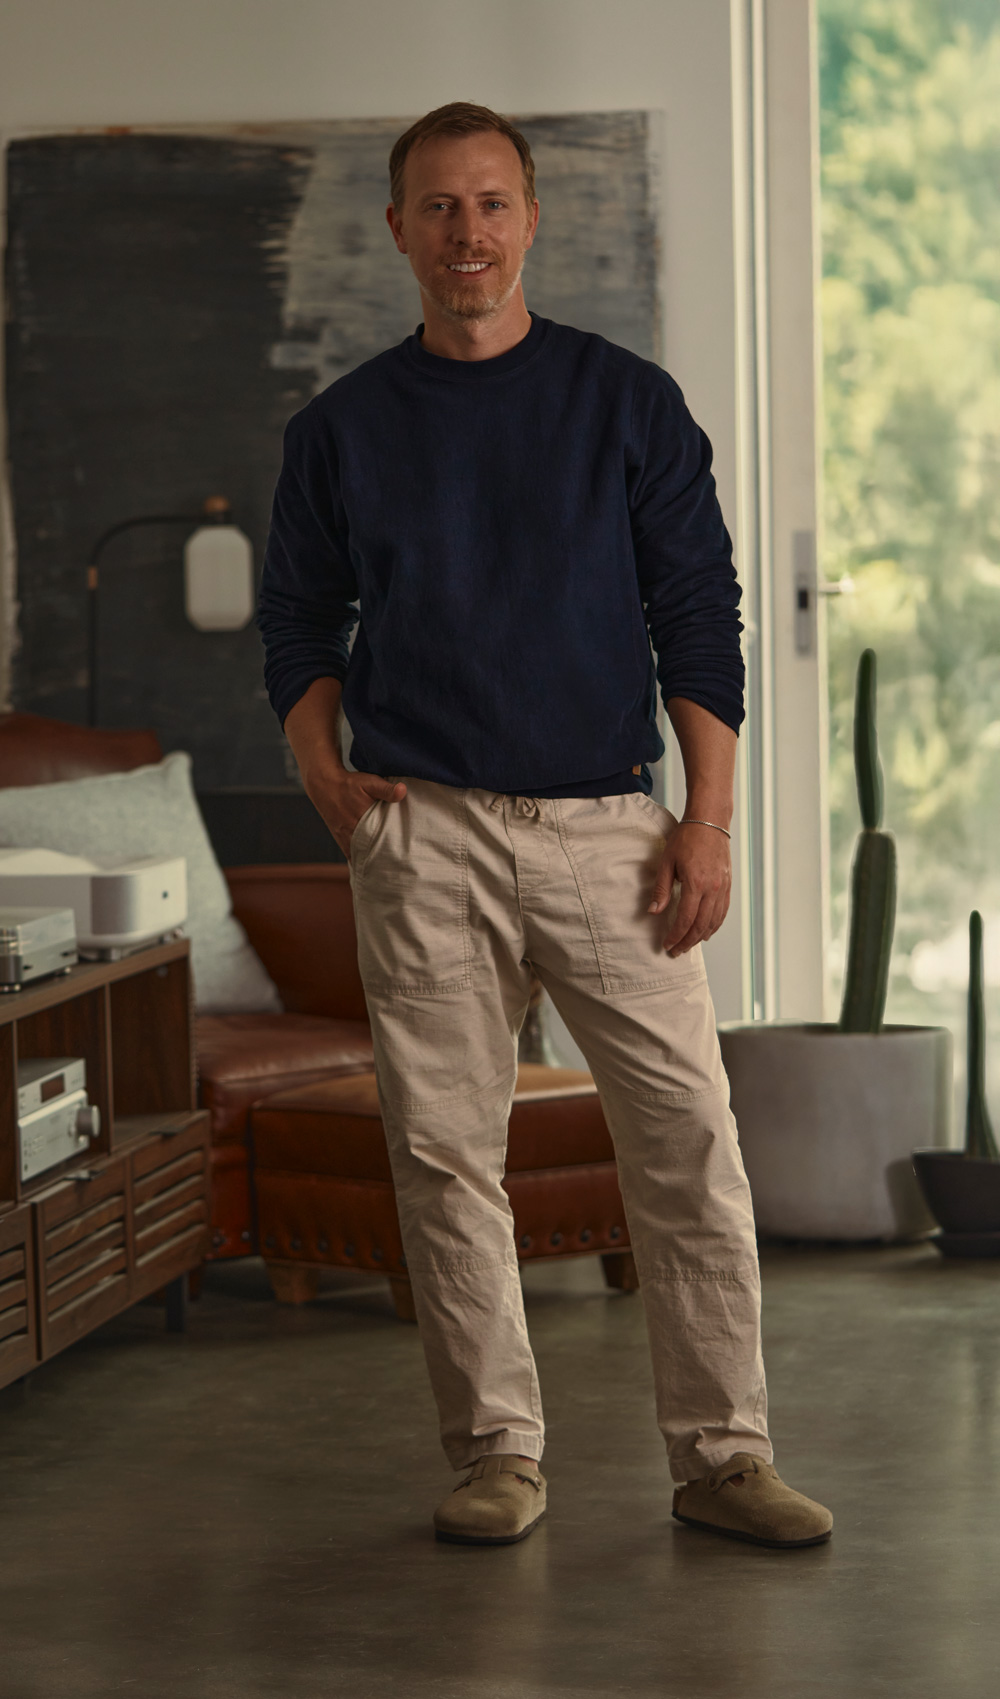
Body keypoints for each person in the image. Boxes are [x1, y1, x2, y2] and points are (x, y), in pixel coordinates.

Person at [258, 101, 832, 1551]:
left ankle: (722, 1457)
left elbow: (699, 617)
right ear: (397, 230)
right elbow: (297, 624)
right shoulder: (340, 431)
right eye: (439, 208)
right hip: (424, 833)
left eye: (493, 205)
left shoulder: (627, 404)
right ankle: (497, 1454)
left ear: (531, 220)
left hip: (607, 832)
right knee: (447, 1155)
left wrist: (704, 827)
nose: (468, 235)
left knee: (688, 1142)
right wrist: (325, 776)